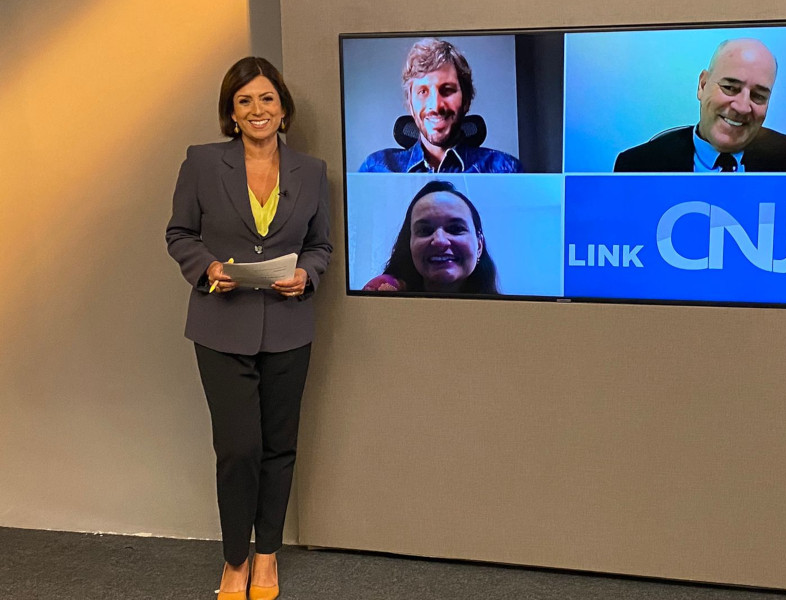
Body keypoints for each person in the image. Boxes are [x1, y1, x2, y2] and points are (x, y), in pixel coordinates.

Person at [166, 56, 331, 600]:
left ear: (283, 109)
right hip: (222, 327)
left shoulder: (312, 171)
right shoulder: (201, 163)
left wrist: (306, 275)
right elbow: (180, 234)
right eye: (244, 101)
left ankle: (266, 557)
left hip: (288, 327)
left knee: (280, 446)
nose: (256, 110)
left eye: (266, 99)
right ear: (230, 113)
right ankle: (234, 558)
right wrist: (208, 269)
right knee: (238, 448)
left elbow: (321, 246)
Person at [614, 38, 786, 173]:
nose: (742, 107)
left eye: (758, 96)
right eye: (730, 88)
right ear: (702, 85)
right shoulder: (637, 165)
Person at [359, 38, 523, 173]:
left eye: (448, 90)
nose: (436, 106)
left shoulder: (505, 171)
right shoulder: (376, 169)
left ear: (466, 100)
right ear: (410, 103)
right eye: (423, 91)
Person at [363, 180, 499, 293]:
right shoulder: (382, 291)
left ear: (479, 245)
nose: (440, 241)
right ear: (409, 245)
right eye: (425, 230)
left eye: (456, 229)